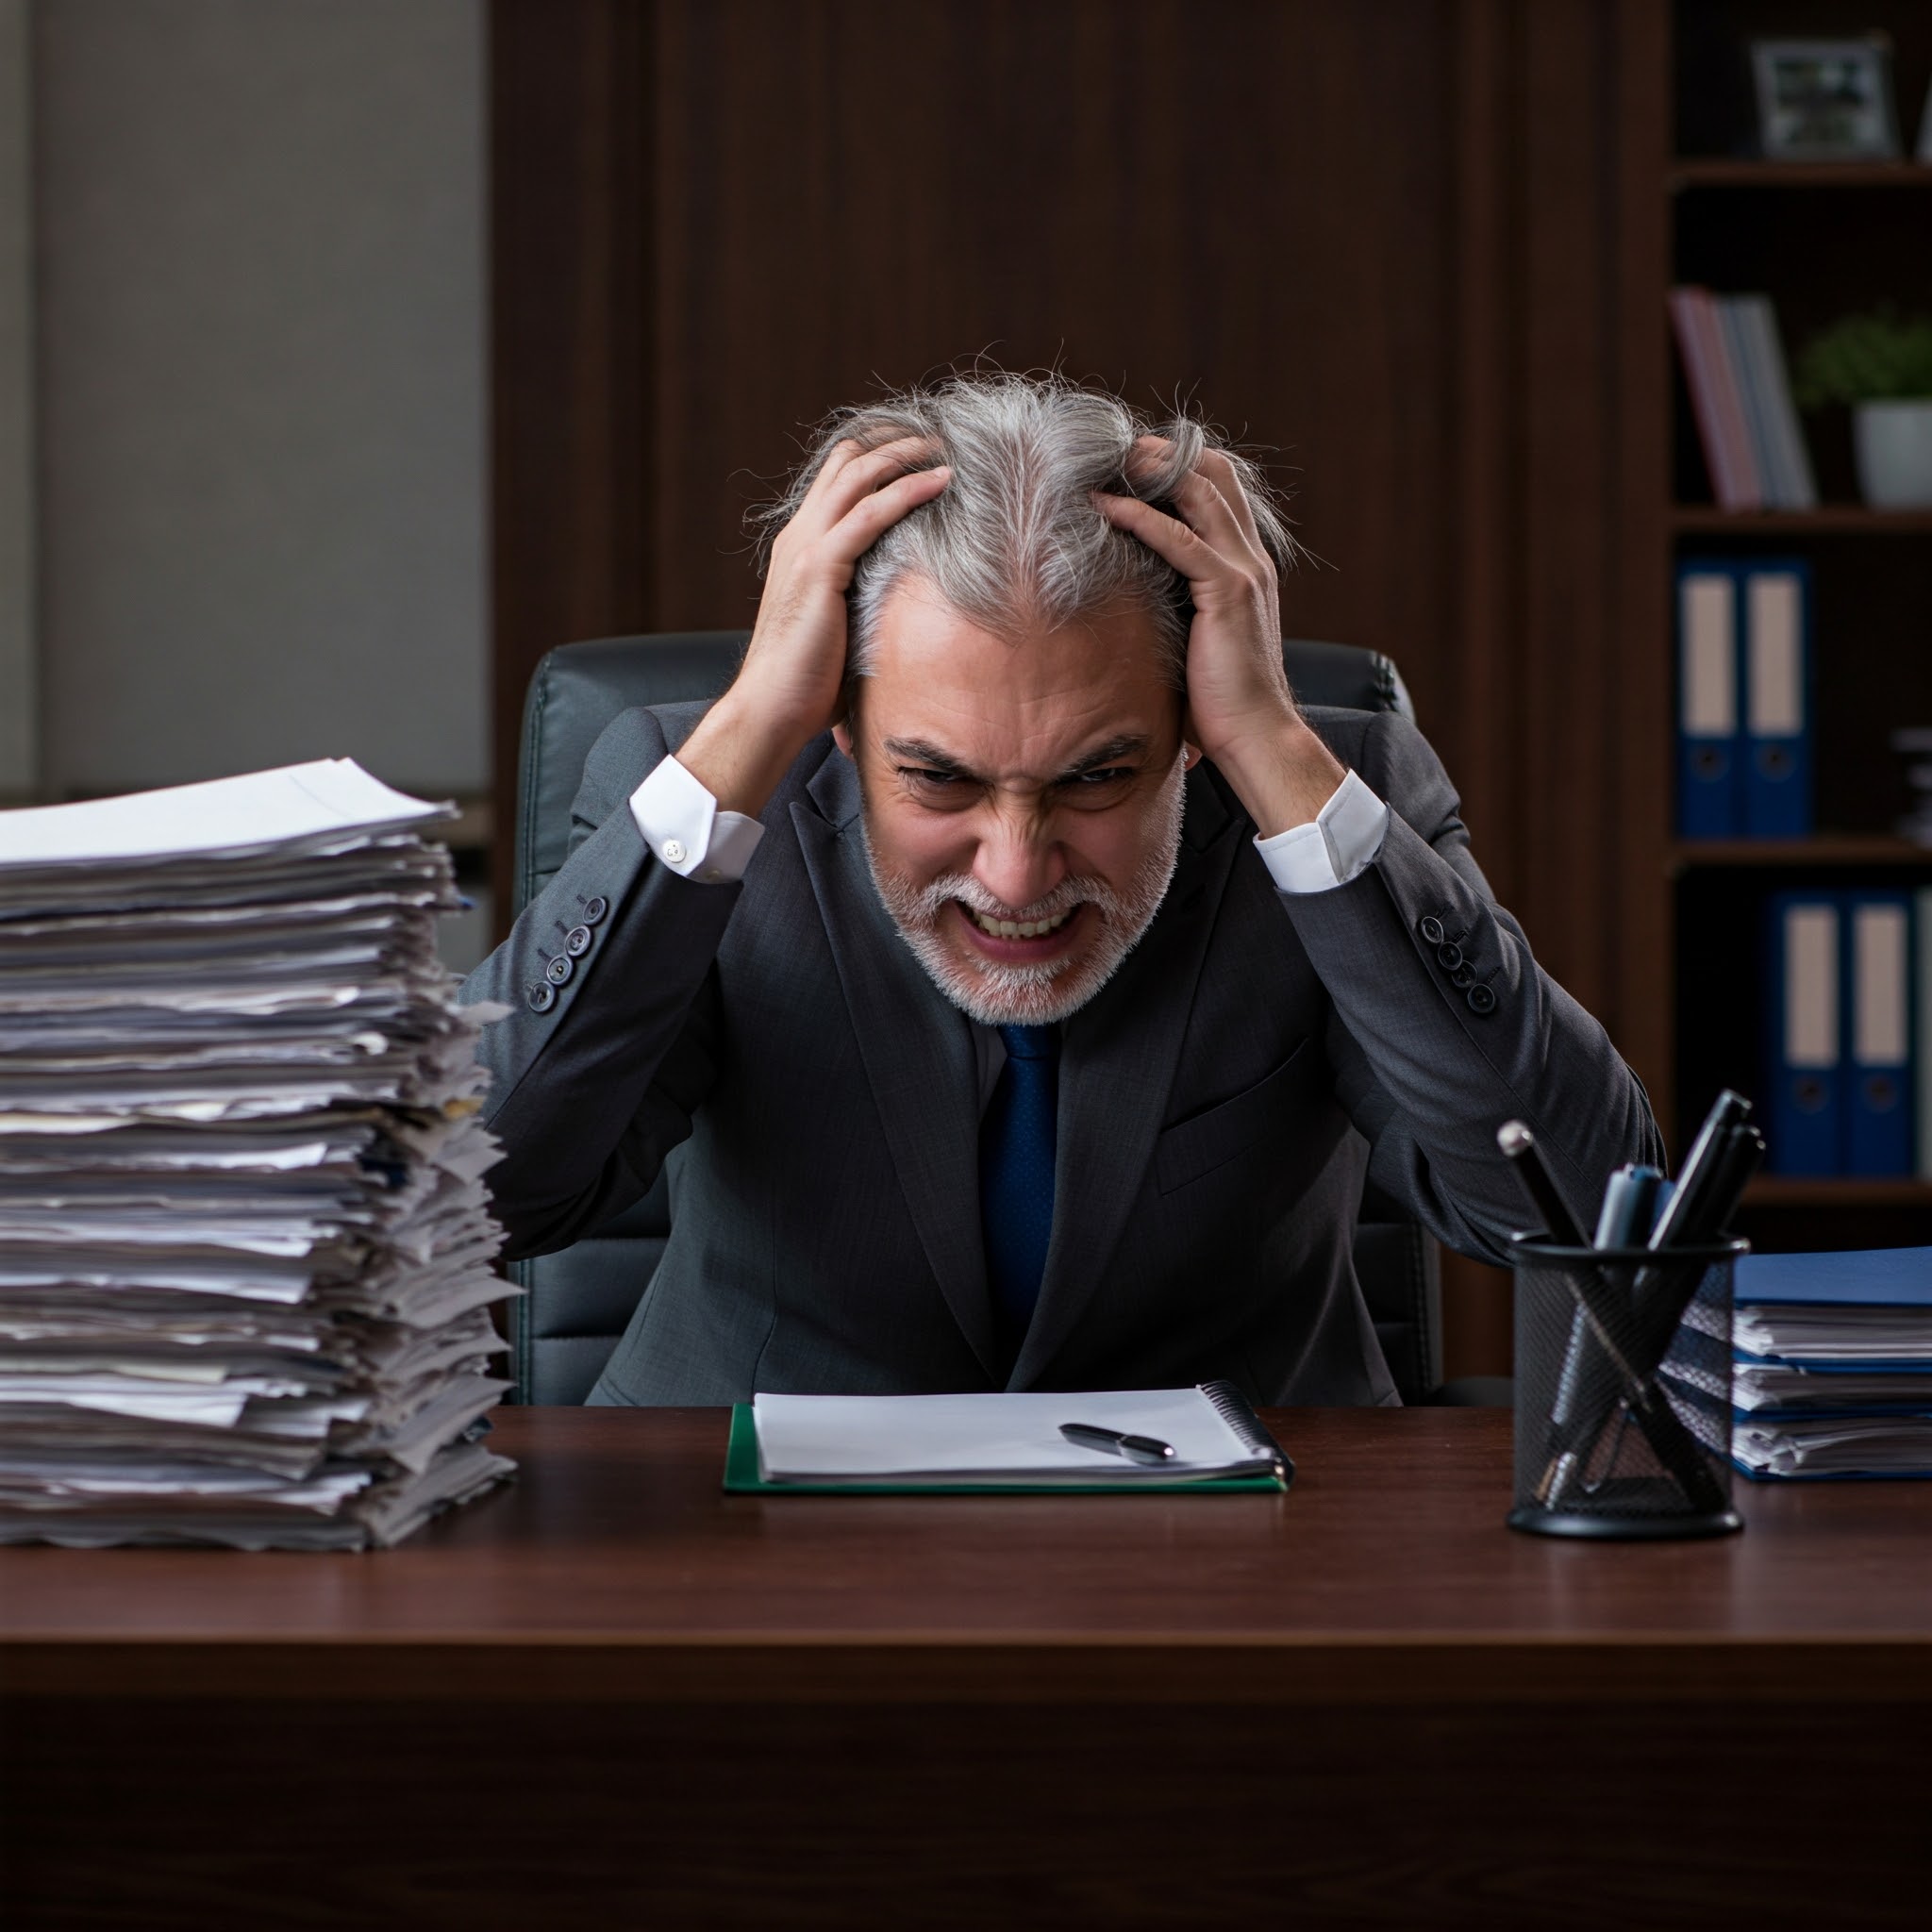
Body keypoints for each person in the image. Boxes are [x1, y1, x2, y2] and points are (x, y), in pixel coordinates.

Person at [462, 372, 1660, 1406]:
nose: (1014, 871)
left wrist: (1277, 756)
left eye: (1098, 777)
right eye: (936, 779)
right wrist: (746, 735)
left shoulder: (1317, 806)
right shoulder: (719, 803)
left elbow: (1582, 1214)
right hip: (744, 1540)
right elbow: (484, 1195)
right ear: (834, 719)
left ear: (1191, 724)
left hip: (1252, 1558)